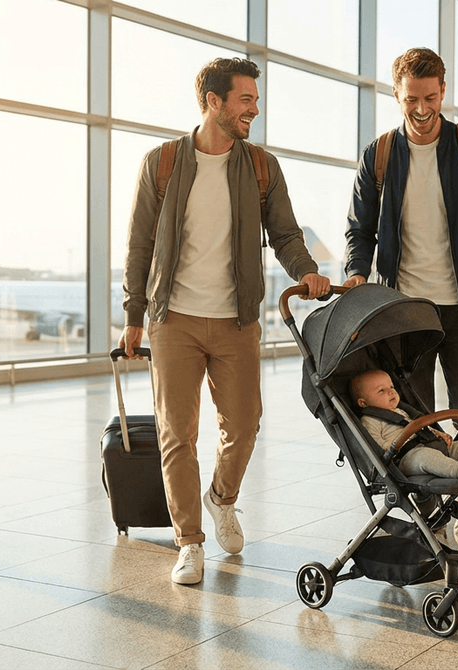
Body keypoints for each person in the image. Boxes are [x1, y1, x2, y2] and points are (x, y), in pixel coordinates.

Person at [121, 57, 330, 585]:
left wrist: (308, 273)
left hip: (236, 319)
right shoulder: (162, 162)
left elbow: (284, 233)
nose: (253, 110)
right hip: (175, 320)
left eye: (254, 101)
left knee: (243, 424)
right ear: (213, 101)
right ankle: (188, 542)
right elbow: (139, 243)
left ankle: (222, 498)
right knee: (177, 433)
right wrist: (133, 316)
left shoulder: (261, 166)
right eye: (245, 100)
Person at [342, 48, 458, 547]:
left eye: (432, 97)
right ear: (396, 93)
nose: (422, 109)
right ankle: (424, 517)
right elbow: (359, 229)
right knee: (412, 416)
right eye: (412, 99)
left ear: (444, 90)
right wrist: (357, 272)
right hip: (406, 314)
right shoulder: (378, 155)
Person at [351, 369, 458, 481]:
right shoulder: (369, 420)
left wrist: (436, 434)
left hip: (428, 444)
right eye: (381, 391)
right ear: (364, 403)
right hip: (406, 458)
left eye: (392, 387)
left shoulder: (401, 412)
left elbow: (418, 426)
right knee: (427, 457)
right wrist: (398, 443)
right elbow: (375, 446)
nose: (391, 392)